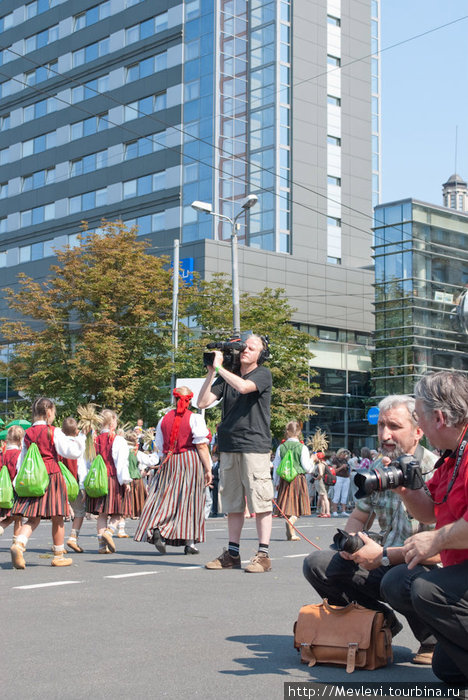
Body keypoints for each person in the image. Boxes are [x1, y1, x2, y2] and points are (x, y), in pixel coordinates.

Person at [303, 394, 438, 664]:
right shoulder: (376, 467)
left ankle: (432, 639)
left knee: (398, 578)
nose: (385, 435)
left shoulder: (434, 469)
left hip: (426, 567)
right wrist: (351, 543)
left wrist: (385, 555)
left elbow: (442, 550)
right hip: (385, 558)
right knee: (317, 563)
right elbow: (358, 516)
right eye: (381, 426)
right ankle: (382, 621)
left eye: (395, 427)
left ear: (418, 432)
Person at [381, 371, 468, 685]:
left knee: (426, 589)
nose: (419, 425)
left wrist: (437, 540)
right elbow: (430, 511)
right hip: (460, 569)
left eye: (420, 417)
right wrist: (404, 489)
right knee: (445, 668)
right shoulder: (452, 456)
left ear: (440, 418)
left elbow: (437, 529)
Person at [198, 334, 273, 573]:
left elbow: (243, 387)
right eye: (243, 347)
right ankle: (232, 553)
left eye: (252, 348)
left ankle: (263, 554)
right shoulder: (226, 376)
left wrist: (220, 368)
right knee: (232, 503)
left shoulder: (262, 374)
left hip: (254, 445)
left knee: (260, 502)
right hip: (229, 445)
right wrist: (212, 372)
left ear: (261, 354)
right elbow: (201, 402)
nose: (245, 351)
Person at [135, 386, 212, 555]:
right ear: (189, 400)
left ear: (174, 400)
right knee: (190, 501)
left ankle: (158, 527)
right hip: (190, 461)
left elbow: (161, 447)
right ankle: (189, 543)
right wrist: (208, 469)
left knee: (166, 498)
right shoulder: (196, 418)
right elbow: (201, 445)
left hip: (170, 461)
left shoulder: (163, 420)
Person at [10, 397, 82, 568]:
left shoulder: (27, 434)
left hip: (34, 478)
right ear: (49, 412)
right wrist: (81, 439)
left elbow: (23, 459)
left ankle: (19, 543)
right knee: (58, 517)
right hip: (52, 476)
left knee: (33, 518)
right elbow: (70, 452)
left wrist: (17, 480)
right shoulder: (53, 431)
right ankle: (58, 555)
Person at [86, 409, 132, 554]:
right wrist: (125, 481)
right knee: (119, 511)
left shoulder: (94, 440)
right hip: (112, 478)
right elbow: (121, 462)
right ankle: (110, 531)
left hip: (98, 479)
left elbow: (89, 462)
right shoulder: (117, 439)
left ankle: (101, 546)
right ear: (113, 420)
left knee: (102, 514)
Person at [272, 421, 312, 540]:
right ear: (299, 432)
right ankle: (291, 521)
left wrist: (276, 482)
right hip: (298, 478)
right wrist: (313, 462)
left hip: (285, 479)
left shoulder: (281, 447)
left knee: (288, 505)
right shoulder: (302, 447)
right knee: (297, 505)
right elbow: (307, 467)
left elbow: (276, 466)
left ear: (287, 432)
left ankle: (291, 534)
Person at [0, 425, 24, 541]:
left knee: (11, 516)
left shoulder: (2, 455)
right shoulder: (19, 455)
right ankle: (16, 541)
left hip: (3, 489)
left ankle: (1, 527)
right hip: (15, 490)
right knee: (18, 517)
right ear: (20, 440)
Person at [330, 448, 351, 516]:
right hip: (338, 477)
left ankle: (343, 511)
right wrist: (342, 467)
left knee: (344, 495)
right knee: (337, 494)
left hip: (346, 478)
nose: (344, 455)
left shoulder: (345, 460)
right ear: (340, 453)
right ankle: (334, 511)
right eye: (343, 453)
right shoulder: (335, 460)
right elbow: (334, 471)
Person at [314, 451, 331, 518]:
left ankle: (327, 512)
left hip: (321, 481)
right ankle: (323, 512)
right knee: (322, 497)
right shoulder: (325, 463)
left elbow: (321, 474)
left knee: (324, 497)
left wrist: (316, 478)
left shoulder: (320, 464)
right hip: (325, 481)